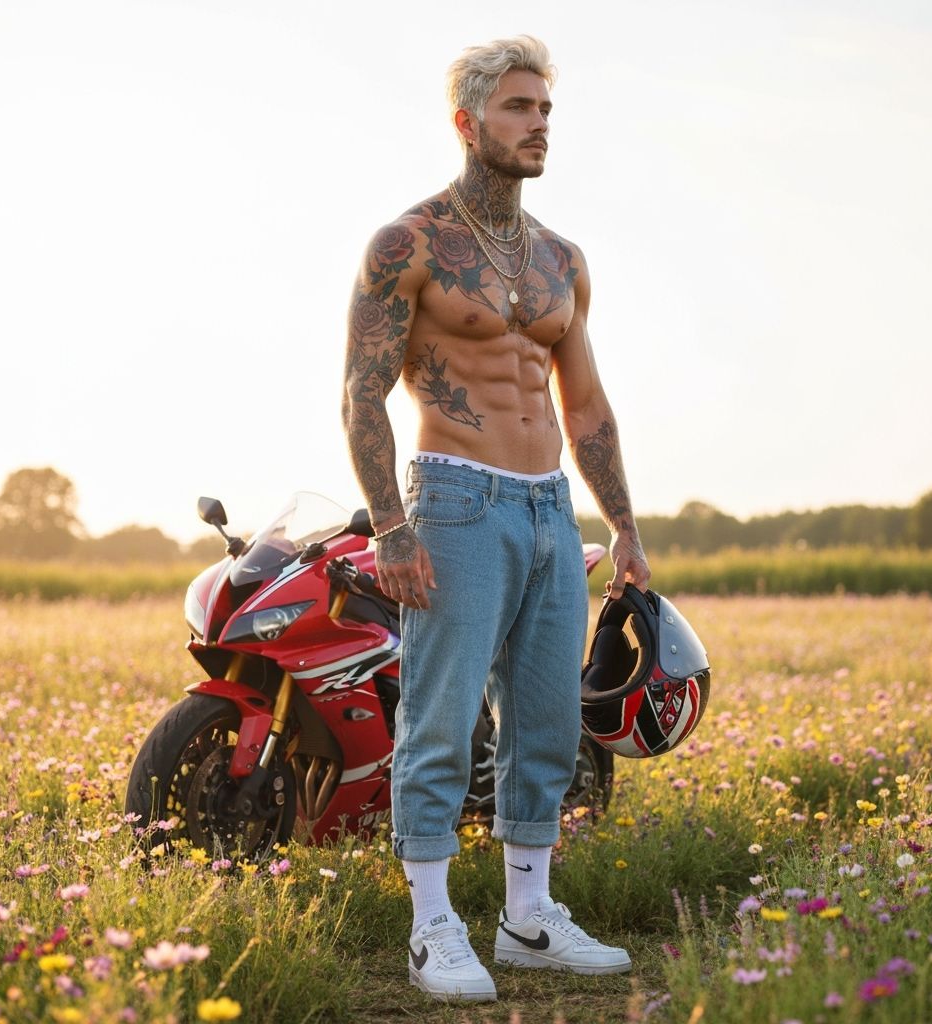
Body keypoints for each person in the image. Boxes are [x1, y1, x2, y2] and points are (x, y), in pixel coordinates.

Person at [342, 35, 650, 1003]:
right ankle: (432, 926)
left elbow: (585, 406)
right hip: (455, 498)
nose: (539, 124)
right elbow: (361, 392)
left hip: (550, 506)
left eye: (545, 109)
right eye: (519, 107)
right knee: (441, 719)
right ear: (468, 123)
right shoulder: (409, 243)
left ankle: (528, 918)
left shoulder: (563, 261)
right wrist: (392, 526)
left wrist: (624, 524)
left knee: (549, 724)